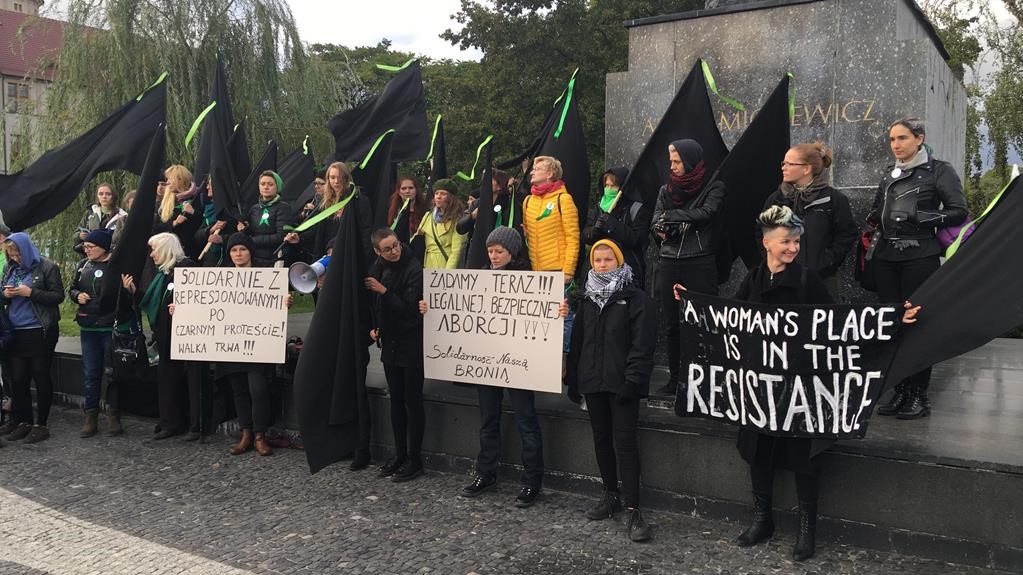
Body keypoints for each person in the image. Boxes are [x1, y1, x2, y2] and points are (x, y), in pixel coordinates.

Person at [687, 205, 921, 561]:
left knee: (803, 459)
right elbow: (728, 320)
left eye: (796, 241)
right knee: (757, 454)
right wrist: (694, 307)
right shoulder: (752, 279)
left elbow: (841, 324)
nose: (793, 248)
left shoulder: (808, 280)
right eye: (786, 241)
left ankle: (806, 529)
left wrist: (892, 319)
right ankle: (762, 519)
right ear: (766, 242)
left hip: (801, 393)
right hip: (760, 392)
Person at [421, 226, 560, 508]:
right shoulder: (479, 279)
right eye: (490, 250)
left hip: (519, 364)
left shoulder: (531, 281)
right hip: (487, 363)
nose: (494, 256)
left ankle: (532, 481)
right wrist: (430, 307)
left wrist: (560, 310)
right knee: (488, 420)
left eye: (499, 251)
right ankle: (486, 473)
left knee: (526, 421)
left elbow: (545, 315)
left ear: (513, 251)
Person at [868, 117, 967, 419]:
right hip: (886, 257)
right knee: (892, 324)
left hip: (919, 255)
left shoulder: (939, 170)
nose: (896, 145)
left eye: (902, 139)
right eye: (892, 140)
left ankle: (918, 395)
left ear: (919, 139)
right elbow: (877, 208)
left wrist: (919, 217)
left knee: (917, 325)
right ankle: (899, 389)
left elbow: (958, 211)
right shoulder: (888, 173)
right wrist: (876, 218)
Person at [565, 239, 656, 542]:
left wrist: (632, 381)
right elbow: (578, 342)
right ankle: (610, 494)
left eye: (608, 260)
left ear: (618, 261)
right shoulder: (587, 300)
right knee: (601, 440)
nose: (602, 265)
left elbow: (641, 345)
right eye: (597, 260)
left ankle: (633, 508)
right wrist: (574, 380)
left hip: (621, 384)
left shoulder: (635, 299)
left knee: (625, 443)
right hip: (593, 382)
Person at [651, 139, 726, 396]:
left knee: (705, 323)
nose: (671, 166)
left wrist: (672, 217)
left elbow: (707, 212)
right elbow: (655, 220)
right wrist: (661, 231)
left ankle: (707, 382)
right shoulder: (665, 189)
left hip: (699, 261)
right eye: (670, 161)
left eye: (676, 161)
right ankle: (676, 378)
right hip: (670, 261)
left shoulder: (713, 186)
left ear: (690, 160)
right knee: (673, 324)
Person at [122, 233, 205, 440]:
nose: (152, 255)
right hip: (165, 335)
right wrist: (133, 291)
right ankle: (170, 422)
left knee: (193, 379)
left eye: (155, 250)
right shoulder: (163, 273)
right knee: (167, 378)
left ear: (166, 249)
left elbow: (201, 300)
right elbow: (153, 302)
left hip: (187, 335)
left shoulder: (188, 268)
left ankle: (196, 425)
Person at [220, 232, 291, 456]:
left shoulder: (266, 276)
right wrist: (181, 309)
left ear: (250, 251)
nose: (238, 254)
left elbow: (274, 303)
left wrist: (284, 301)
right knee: (239, 391)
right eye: (233, 250)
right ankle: (246, 433)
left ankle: (260, 434)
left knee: (258, 389)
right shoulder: (220, 277)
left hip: (256, 343)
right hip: (231, 344)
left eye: (242, 249)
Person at [365, 228, 425, 482]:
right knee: (396, 400)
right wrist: (375, 324)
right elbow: (372, 303)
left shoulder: (413, 267)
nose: (394, 251)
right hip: (389, 341)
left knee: (413, 401)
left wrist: (384, 292)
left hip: (411, 341)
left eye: (396, 245)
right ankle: (399, 454)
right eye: (387, 249)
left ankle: (415, 458)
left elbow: (410, 311)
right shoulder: (377, 266)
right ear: (378, 251)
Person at [763, 142, 857, 298]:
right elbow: (762, 232)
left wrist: (827, 262)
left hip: (822, 279)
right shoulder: (777, 199)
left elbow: (846, 234)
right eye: (783, 163)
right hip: (783, 278)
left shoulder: (833, 199)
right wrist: (775, 260)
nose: (783, 167)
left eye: (789, 163)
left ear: (806, 169)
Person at [0, 232, 64, 443]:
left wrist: (31, 293)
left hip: (39, 329)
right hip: (16, 330)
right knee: (18, 378)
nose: (15, 258)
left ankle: (41, 424)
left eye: (17, 254)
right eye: (11, 254)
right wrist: (5, 294)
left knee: (40, 374)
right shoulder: (10, 268)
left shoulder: (47, 267)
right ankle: (22, 420)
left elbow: (57, 296)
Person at [521, 156, 580, 378]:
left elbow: (573, 237)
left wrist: (568, 271)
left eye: (538, 169)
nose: (533, 172)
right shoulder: (527, 201)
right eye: (533, 168)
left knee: (563, 318)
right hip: (536, 270)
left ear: (551, 174)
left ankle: (563, 364)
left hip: (557, 270)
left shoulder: (563, 199)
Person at [69, 228, 121, 437]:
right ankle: (91, 415)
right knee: (91, 373)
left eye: (91, 247)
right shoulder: (83, 265)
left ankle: (113, 414)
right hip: (88, 326)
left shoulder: (115, 265)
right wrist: (77, 295)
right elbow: (71, 288)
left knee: (111, 373)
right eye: (86, 247)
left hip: (109, 326)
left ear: (104, 247)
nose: (87, 250)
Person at [582, 167, 651, 289]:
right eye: (606, 186)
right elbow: (586, 236)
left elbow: (637, 239)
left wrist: (612, 225)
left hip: (627, 270)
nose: (609, 190)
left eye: (613, 186)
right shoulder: (600, 207)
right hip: (598, 270)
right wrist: (595, 230)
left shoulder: (636, 208)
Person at [238, 171, 296, 267]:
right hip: (254, 257)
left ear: (277, 187)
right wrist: (244, 229)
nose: (266, 187)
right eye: (262, 184)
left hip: (275, 258)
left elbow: (282, 236)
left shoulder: (283, 208)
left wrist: (252, 241)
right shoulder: (255, 208)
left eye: (270, 184)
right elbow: (252, 231)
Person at [457, 169, 524, 242]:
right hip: (477, 247)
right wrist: (472, 216)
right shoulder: (476, 203)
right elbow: (460, 229)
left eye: (489, 180)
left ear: (499, 186)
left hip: (499, 247)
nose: (485, 183)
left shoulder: (509, 203)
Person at [416, 178, 466, 269]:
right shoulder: (428, 216)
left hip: (445, 264)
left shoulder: (457, 218)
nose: (438, 196)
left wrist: (447, 273)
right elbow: (417, 238)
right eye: (436, 193)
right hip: (427, 264)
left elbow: (456, 250)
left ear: (451, 197)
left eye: (443, 194)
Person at [154, 165, 202, 257]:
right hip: (169, 251)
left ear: (180, 180)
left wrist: (193, 212)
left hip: (191, 252)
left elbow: (203, 224)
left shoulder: (198, 198)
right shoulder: (163, 203)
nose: (167, 182)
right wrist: (173, 223)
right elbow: (155, 228)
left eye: (170, 179)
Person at [73, 183, 127, 255]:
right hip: (89, 254)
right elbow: (76, 233)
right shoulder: (90, 212)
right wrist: (79, 235)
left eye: (108, 194)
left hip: (111, 255)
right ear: (97, 196)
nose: (104, 196)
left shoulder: (122, 216)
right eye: (101, 194)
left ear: (113, 196)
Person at [387, 177, 429, 244]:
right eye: (403, 188)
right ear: (399, 192)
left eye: (410, 188)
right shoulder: (393, 212)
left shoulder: (425, 211)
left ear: (416, 190)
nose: (407, 191)